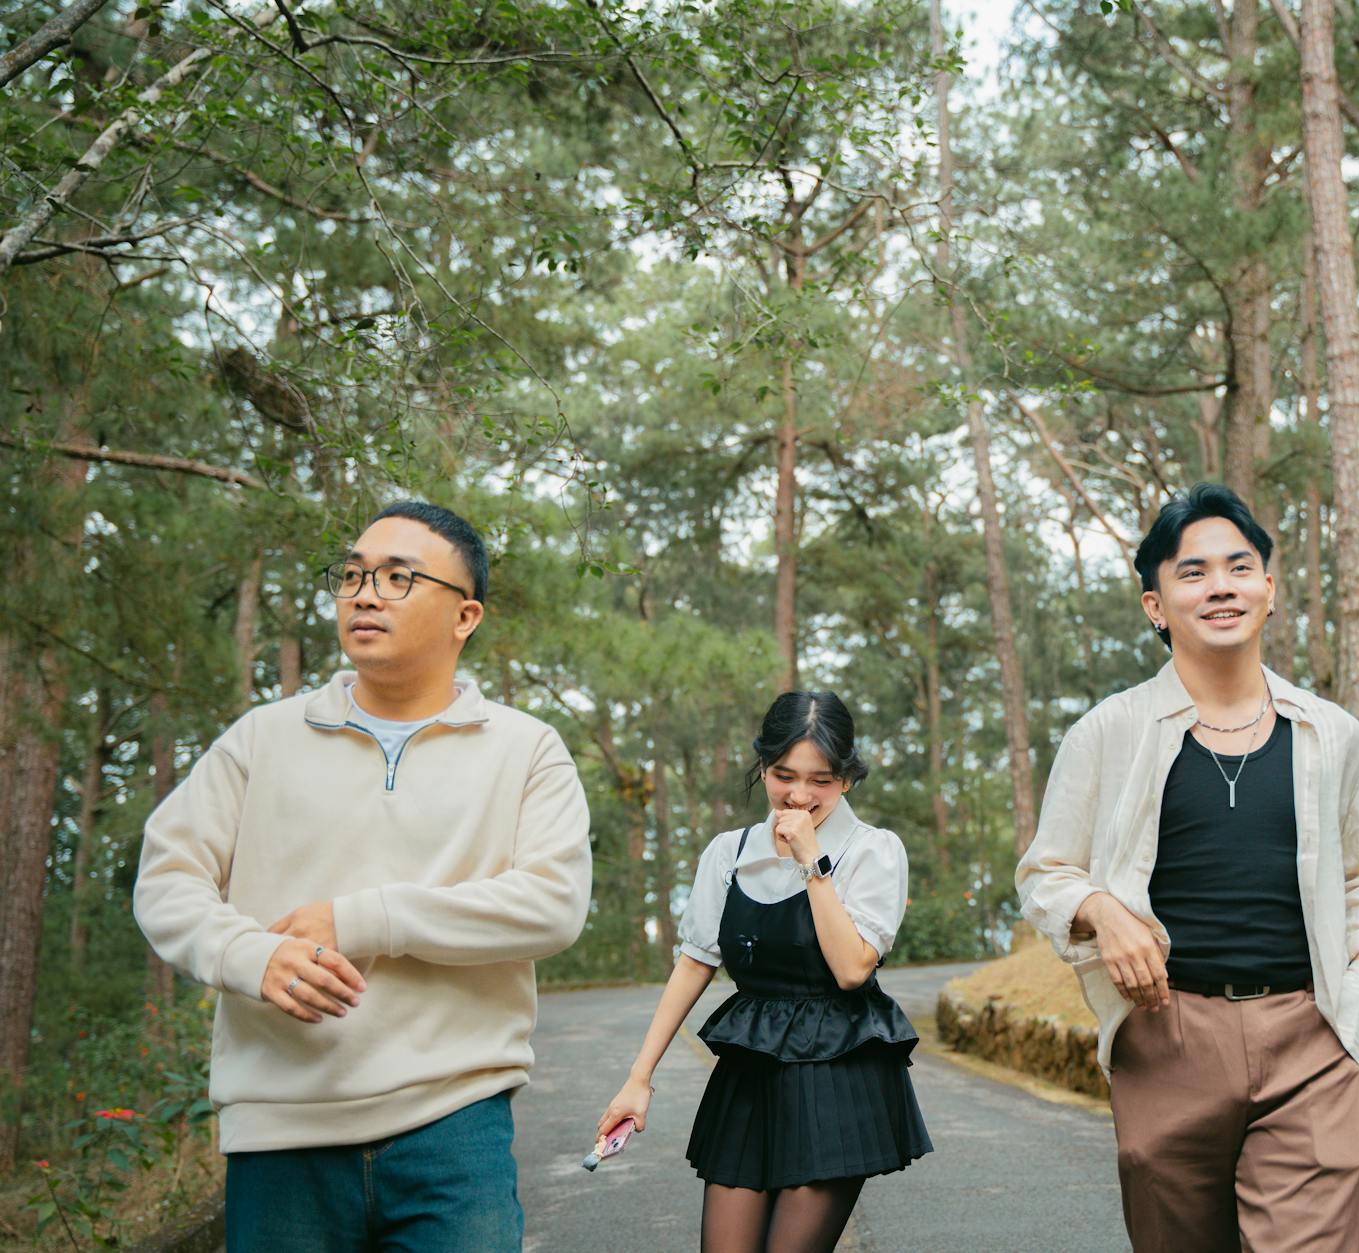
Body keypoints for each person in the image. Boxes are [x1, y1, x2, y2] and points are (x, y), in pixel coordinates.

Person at [134, 502, 593, 1252]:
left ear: (464, 615)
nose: (364, 593)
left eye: (397, 577)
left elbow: (553, 904)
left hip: (456, 1123)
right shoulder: (262, 738)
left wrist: (365, 919)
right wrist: (248, 956)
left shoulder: (525, 749)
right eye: (351, 574)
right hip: (281, 1130)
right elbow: (167, 876)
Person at [1016, 483, 1359, 1253]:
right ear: (1155, 604)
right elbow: (1046, 872)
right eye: (1192, 572)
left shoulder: (1331, 733)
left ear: (1268, 587)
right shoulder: (1108, 731)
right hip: (1167, 1033)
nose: (1220, 585)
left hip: (1310, 1031)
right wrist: (1103, 908)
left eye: (1239, 566)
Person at [597, 691, 930, 1253]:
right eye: (783, 775)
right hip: (749, 1078)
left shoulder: (876, 851)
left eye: (820, 780)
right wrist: (638, 1078)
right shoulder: (729, 853)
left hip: (838, 1075)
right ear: (762, 767)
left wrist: (811, 863)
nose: (799, 795)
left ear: (847, 778)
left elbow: (851, 969)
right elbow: (695, 962)